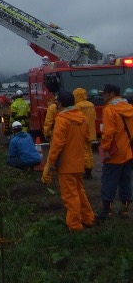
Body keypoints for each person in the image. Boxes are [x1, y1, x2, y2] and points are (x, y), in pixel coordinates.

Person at [41, 90, 95, 231]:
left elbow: (57, 144)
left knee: (70, 196)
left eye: (57, 102)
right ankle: (88, 218)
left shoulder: (62, 119)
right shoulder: (82, 118)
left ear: (60, 103)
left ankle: (75, 225)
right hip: (79, 162)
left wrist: (51, 163)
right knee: (80, 192)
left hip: (66, 164)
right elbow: (87, 136)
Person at [97, 83, 133, 220]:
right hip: (128, 152)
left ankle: (107, 211)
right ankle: (125, 210)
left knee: (109, 181)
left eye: (104, 94)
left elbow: (108, 133)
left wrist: (105, 149)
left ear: (111, 94)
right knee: (126, 181)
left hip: (114, 154)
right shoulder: (129, 107)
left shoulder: (109, 110)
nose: (103, 96)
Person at [73, 88, 97, 179]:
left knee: (84, 151)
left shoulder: (77, 106)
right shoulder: (91, 104)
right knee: (89, 151)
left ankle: (87, 170)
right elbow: (94, 117)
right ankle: (89, 168)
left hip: (82, 132)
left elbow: (75, 119)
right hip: (91, 131)